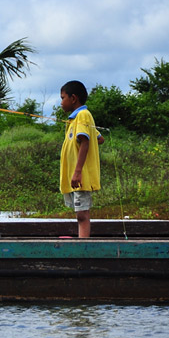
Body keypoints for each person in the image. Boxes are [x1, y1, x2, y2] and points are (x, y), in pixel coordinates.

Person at [59, 80, 103, 238]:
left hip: (81, 175)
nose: (61, 102)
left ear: (73, 98)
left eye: (63, 98)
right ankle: (81, 242)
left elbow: (85, 141)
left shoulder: (83, 115)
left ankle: (83, 246)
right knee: (79, 213)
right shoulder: (76, 119)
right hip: (76, 176)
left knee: (82, 215)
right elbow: (99, 138)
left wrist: (78, 172)